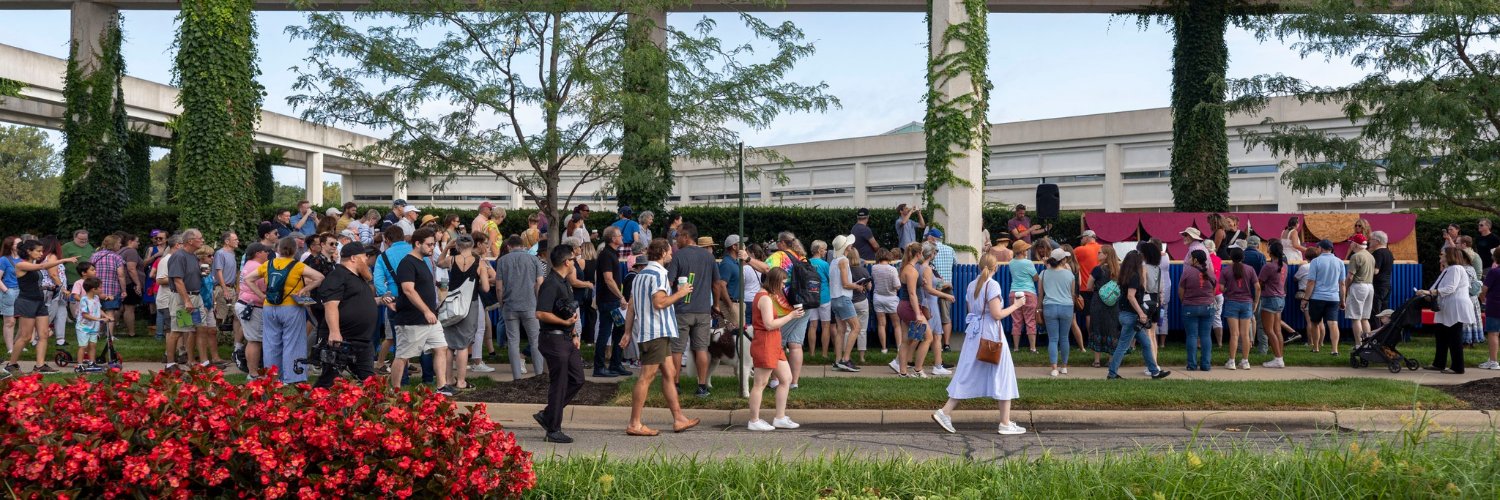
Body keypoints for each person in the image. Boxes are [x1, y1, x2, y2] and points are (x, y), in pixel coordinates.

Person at [931, 254, 1028, 436]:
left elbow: (972, 310)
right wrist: (1017, 305)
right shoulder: (992, 285)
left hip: (974, 333)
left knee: (968, 372)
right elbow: (997, 314)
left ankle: (945, 411)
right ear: (996, 267)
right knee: (1003, 372)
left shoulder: (971, 285)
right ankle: (1005, 422)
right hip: (991, 333)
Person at [620, 238, 701, 436]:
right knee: (646, 377)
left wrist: (628, 332)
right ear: (663, 252)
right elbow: (660, 303)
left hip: (654, 332)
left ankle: (679, 418)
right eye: (669, 251)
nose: (672, 254)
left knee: (670, 373)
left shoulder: (640, 275)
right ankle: (634, 423)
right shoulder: (659, 274)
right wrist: (681, 293)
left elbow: (631, 305)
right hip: (655, 332)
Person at [389, 228, 456, 394]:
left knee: (441, 348)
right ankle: (394, 390)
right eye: (429, 244)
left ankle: (441, 386)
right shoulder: (407, 263)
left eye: (433, 244)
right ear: (417, 243)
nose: (432, 248)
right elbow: (408, 289)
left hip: (430, 318)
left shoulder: (424, 261)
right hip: (411, 319)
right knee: (403, 356)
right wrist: (426, 311)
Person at [750, 232, 817, 390]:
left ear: (781, 243)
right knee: (796, 344)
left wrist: (748, 259)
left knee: (777, 343)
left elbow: (767, 269)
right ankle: (794, 382)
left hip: (783, 307)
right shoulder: (802, 257)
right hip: (803, 304)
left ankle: (774, 380)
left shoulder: (780, 256)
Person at [254, 236, 325, 383]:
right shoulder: (297, 266)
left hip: (269, 307)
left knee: (271, 343)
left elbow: (248, 279)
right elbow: (319, 277)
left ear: (278, 249)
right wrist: (305, 289)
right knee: (293, 342)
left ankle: (272, 377)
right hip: (291, 307)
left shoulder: (268, 264)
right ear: (295, 249)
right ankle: (293, 376)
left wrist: (262, 295)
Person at [535, 243, 586, 443]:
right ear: (567, 262)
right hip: (553, 339)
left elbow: (568, 311)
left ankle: (548, 415)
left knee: (577, 379)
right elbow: (540, 313)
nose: (575, 261)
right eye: (573, 259)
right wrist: (564, 323)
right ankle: (553, 428)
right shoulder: (551, 284)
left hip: (566, 338)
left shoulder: (564, 282)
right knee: (560, 383)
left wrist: (573, 333)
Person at [746, 267, 806, 431]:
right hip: (765, 343)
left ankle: (779, 417)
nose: (783, 286)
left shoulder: (766, 297)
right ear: (774, 281)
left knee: (786, 379)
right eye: (782, 283)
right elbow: (769, 324)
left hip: (773, 343)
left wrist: (788, 316)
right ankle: (754, 420)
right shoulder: (764, 298)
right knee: (760, 383)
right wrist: (791, 316)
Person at [5, 240, 76, 374]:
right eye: (38, 251)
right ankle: (11, 364)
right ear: (28, 251)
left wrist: (45, 287)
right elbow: (42, 267)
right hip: (27, 302)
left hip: (39, 301)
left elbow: (30, 282)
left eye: (42, 251)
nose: (41, 253)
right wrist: (64, 259)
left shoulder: (32, 265)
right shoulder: (21, 264)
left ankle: (40, 365)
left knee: (43, 334)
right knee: (25, 336)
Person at [666, 224, 719, 397]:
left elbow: (669, 282)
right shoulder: (709, 256)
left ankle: (676, 384)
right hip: (703, 310)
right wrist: (716, 305)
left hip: (682, 310)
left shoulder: (678, 256)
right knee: (701, 349)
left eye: (678, 236)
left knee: (677, 349)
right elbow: (716, 284)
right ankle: (702, 386)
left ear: (686, 236)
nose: (676, 240)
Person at [1108, 251, 1171, 380]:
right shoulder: (1135, 276)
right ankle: (1112, 373)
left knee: (1146, 343)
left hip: (1125, 315)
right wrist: (1141, 313)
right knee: (1123, 346)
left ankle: (1154, 371)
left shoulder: (1124, 276)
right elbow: (1131, 296)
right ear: (1137, 262)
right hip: (1132, 317)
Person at [443, 234, 489, 391]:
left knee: (449, 344)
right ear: (472, 245)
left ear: (457, 246)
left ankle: (448, 379)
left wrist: (446, 248)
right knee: (463, 345)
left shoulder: (451, 260)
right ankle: (461, 381)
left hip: (452, 304)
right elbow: (485, 288)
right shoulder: (480, 263)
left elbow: (438, 262)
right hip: (470, 304)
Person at [497, 235, 545, 380]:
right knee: (535, 340)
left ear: (509, 247)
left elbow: (499, 287)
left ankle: (517, 376)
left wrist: (501, 303)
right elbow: (539, 284)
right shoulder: (534, 259)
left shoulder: (502, 261)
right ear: (523, 245)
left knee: (513, 341)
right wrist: (539, 303)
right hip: (530, 304)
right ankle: (539, 374)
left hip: (510, 305)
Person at [1421, 246, 1475, 374]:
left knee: (1454, 336)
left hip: (1455, 306)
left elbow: (1450, 287)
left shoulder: (1455, 269)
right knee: (1441, 334)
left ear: (1449, 256)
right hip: (1448, 305)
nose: (1440, 256)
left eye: (1442, 254)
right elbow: (1440, 287)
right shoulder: (1449, 269)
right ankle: (1439, 363)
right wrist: (1429, 294)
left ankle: (1458, 367)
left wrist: (1430, 292)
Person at [897, 242, 940, 378]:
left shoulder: (906, 267)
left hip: (903, 306)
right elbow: (912, 294)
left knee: (906, 340)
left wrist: (922, 283)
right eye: (921, 252)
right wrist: (918, 314)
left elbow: (912, 288)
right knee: (928, 337)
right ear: (918, 254)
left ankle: (903, 372)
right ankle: (918, 370)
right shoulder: (912, 271)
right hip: (910, 307)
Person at [593, 226, 629, 377]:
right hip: (608, 301)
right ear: (613, 239)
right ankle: (599, 367)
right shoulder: (607, 255)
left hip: (612, 300)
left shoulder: (612, 253)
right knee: (605, 333)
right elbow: (608, 279)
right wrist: (620, 296)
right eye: (620, 235)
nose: (622, 238)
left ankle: (615, 363)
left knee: (620, 329)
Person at [1306, 239, 1348, 355]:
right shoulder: (1339, 262)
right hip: (1333, 298)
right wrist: (1343, 300)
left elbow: (1311, 282)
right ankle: (1334, 350)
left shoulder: (1315, 261)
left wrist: (1305, 299)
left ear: (1321, 248)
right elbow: (1342, 283)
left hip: (1317, 297)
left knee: (1315, 322)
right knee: (1333, 323)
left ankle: (1316, 347)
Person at [1220, 247, 1259, 370]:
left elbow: (1221, 288)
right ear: (1243, 257)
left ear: (1231, 257)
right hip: (1247, 303)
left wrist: (1227, 290)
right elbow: (1257, 287)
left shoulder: (1226, 270)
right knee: (1245, 334)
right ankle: (1245, 361)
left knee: (1234, 334)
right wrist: (1256, 302)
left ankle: (1231, 361)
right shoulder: (1250, 269)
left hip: (1232, 302)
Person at [1038, 248, 1075, 377]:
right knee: (1064, 338)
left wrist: (1039, 309)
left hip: (1049, 306)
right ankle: (1064, 366)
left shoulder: (1043, 274)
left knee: (1053, 339)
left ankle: (1054, 368)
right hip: (1067, 307)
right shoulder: (1070, 274)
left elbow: (1041, 294)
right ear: (1062, 260)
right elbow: (1072, 294)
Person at [235, 243, 270, 378]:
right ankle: (253, 373)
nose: (267, 253)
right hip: (253, 305)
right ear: (257, 253)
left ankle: (253, 371)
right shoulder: (257, 267)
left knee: (252, 338)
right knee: (254, 340)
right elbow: (265, 286)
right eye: (265, 251)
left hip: (244, 302)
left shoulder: (248, 264)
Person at [1180, 250, 1216, 371]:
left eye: (1191, 258)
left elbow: (1181, 291)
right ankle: (1206, 365)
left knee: (1192, 336)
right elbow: (1214, 291)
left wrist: (1185, 301)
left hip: (1190, 306)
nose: (1189, 260)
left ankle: (1192, 365)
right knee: (1206, 336)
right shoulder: (1211, 272)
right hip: (1208, 307)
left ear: (1195, 260)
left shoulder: (1187, 272)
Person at [1259, 241, 1290, 368]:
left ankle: (1278, 358)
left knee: (1268, 330)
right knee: (1277, 330)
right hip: (1280, 298)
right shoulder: (1284, 266)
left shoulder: (1269, 266)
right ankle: (1279, 357)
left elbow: (1259, 282)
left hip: (1270, 298)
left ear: (1270, 252)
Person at [925, 229, 956, 353]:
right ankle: (946, 344)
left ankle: (929, 342)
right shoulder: (950, 250)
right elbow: (955, 263)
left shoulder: (929, 250)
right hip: (947, 287)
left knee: (929, 316)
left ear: (931, 238)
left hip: (932, 287)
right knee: (946, 317)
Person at [212, 232, 241, 357]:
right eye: (235, 239)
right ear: (227, 241)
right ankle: (213, 341)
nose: (238, 241)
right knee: (219, 316)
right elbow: (219, 272)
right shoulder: (220, 253)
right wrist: (224, 289)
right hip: (223, 288)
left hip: (231, 288)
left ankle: (236, 345)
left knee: (236, 315)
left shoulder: (232, 254)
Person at [1006, 240, 1038, 352]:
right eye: (1026, 249)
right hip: (1028, 292)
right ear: (1023, 250)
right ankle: (1033, 348)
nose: (1027, 251)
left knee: (1016, 321)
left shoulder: (1011, 263)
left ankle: (1015, 348)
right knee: (1030, 321)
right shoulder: (1028, 263)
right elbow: (1036, 278)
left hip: (1014, 292)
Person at [1344, 234, 1376, 342]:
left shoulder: (1355, 256)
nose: (1351, 245)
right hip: (1370, 286)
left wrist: (1345, 289)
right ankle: (1368, 344)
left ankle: (1359, 344)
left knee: (1356, 318)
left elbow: (1350, 276)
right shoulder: (1370, 256)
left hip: (1358, 286)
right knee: (1365, 318)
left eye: (1351, 242)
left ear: (1355, 244)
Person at [845, 243, 873, 365]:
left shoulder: (845, 270)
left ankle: (846, 355)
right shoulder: (864, 270)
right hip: (861, 302)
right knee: (862, 330)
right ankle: (862, 357)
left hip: (849, 302)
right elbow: (870, 287)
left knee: (847, 330)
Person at [75, 277, 110, 368]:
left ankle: (92, 362)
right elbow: (85, 315)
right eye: (100, 287)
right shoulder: (84, 300)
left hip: (94, 327)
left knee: (93, 345)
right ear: (93, 289)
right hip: (83, 327)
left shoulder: (96, 298)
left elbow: (99, 309)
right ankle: (80, 364)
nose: (101, 289)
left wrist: (106, 316)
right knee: (83, 346)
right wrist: (99, 319)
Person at [807, 240, 833, 359]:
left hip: (811, 297)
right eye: (825, 249)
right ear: (819, 250)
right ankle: (824, 354)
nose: (826, 251)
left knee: (812, 326)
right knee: (826, 326)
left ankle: (811, 353)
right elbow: (829, 279)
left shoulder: (807, 262)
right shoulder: (825, 264)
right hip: (824, 297)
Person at [871, 249, 900, 356]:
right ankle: (899, 347)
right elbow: (897, 285)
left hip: (878, 298)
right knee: (896, 325)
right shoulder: (892, 270)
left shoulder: (874, 268)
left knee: (881, 324)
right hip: (891, 298)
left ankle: (883, 348)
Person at [717, 235, 744, 334]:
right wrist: (730, 305)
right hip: (731, 304)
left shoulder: (735, 262)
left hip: (737, 304)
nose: (743, 246)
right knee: (732, 336)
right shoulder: (727, 264)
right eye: (741, 244)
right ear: (734, 246)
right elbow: (721, 285)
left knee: (738, 335)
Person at [1369, 231, 1395, 328]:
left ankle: (1375, 336)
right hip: (1387, 285)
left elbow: (1375, 271)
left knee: (1376, 313)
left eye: (1371, 240)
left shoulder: (1378, 253)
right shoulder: (1389, 252)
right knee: (1384, 313)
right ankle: (1385, 335)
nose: (1369, 242)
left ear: (1377, 241)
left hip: (1378, 286)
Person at [1480, 247, 1500, 370]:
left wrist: (1482, 298)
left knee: (1493, 333)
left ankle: (1493, 361)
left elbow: (1484, 289)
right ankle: (1493, 358)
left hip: (1494, 304)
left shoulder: (1494, 272)